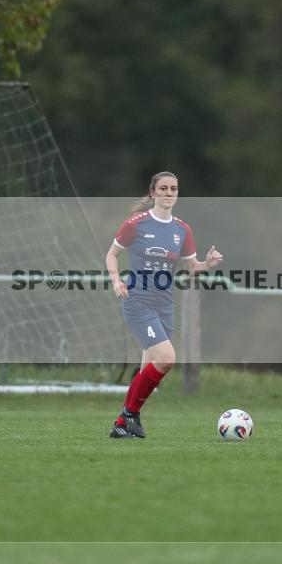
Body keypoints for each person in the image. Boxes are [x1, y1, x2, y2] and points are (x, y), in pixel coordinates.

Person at [105, 171, 223, 438]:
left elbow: (192, 268)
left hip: (164, 306)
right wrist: (116, 281)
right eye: (164, 188)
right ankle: (129, 415)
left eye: (174, 189)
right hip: (138, 302)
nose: (169, 193)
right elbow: (112, 255)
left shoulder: (182, 230)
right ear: (153, 193)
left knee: (148, 368)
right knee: (167, 358)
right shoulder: (136, 224)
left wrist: (207, 264)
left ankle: (122, 425)